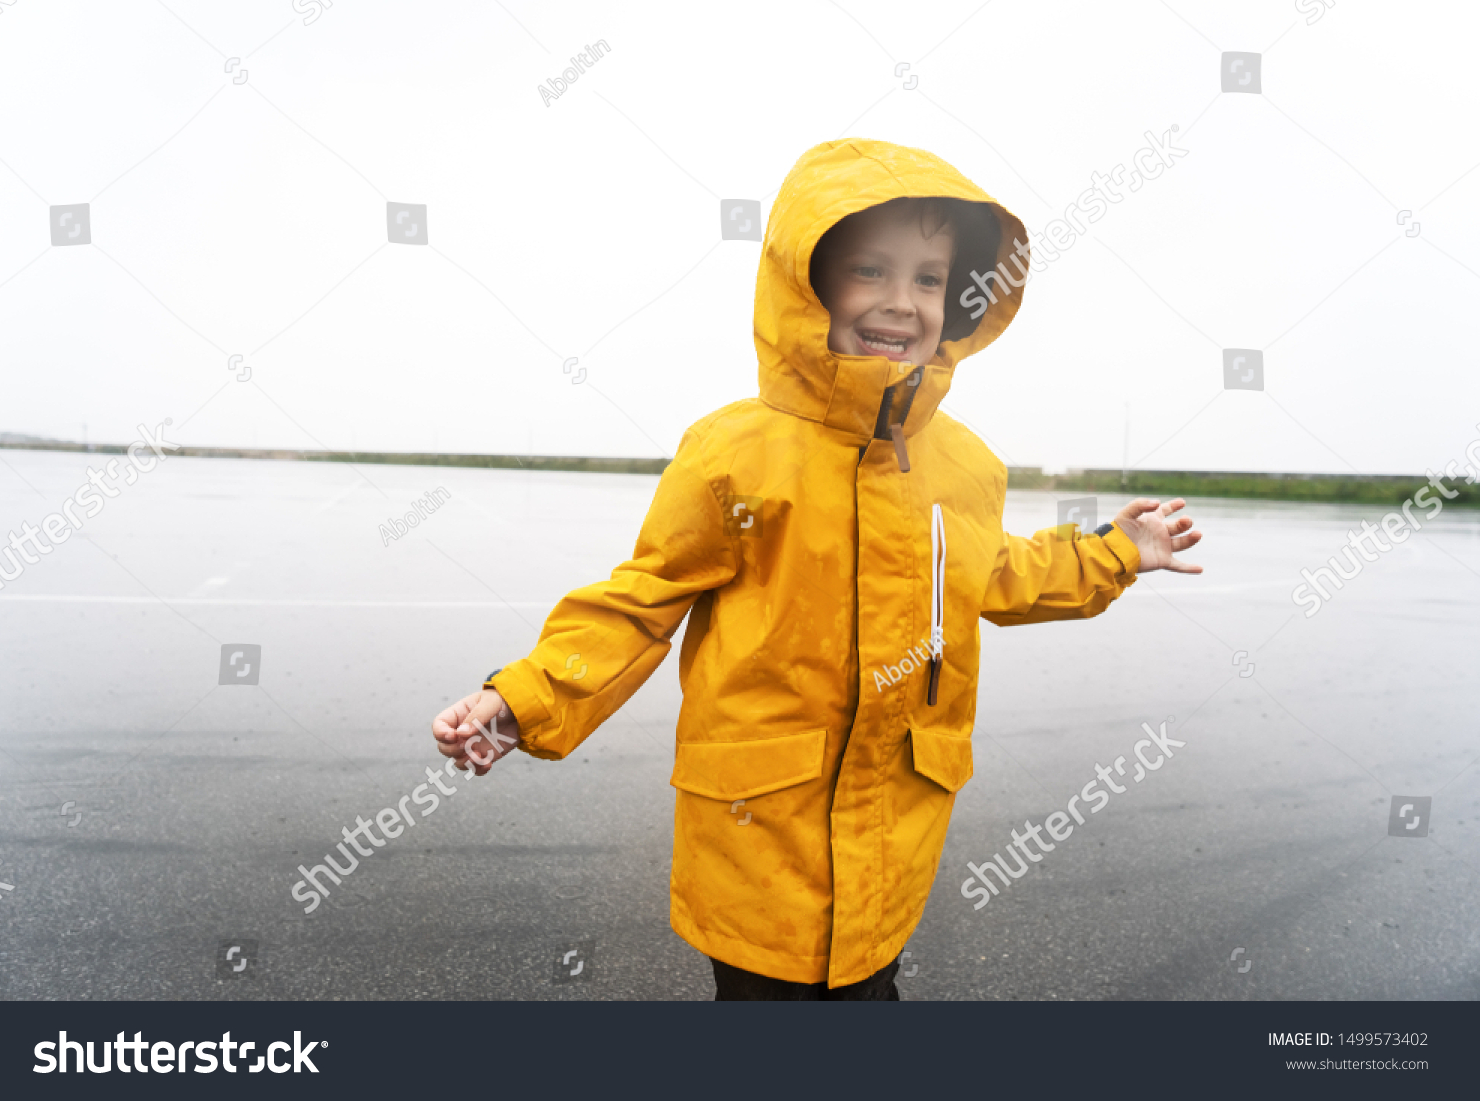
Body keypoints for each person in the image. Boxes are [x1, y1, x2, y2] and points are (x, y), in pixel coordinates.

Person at [432, 137, 1204, 1000]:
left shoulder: (964, 464)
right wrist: (525, 698)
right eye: (870, 271)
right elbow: (640, 602)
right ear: (808, 283)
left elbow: (1000, 574)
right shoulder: (736, 454)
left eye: (927, 279)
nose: (901, 302)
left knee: (869, 984)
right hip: (764, 833)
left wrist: (1115, 551)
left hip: (893, 828)